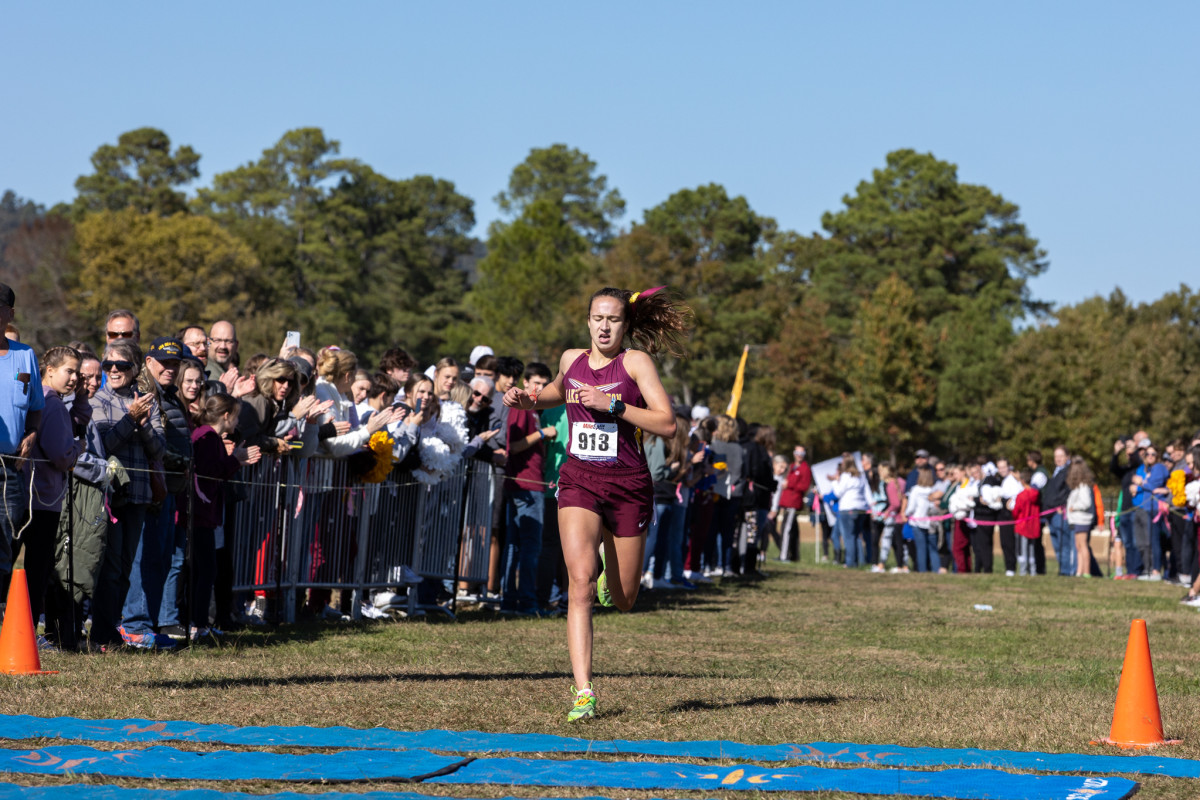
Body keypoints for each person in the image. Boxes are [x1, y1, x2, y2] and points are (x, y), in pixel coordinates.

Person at [503, 285, 687, 721]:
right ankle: (583, 691)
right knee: (579, 583)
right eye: (597, 318)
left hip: (628, 485)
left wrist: (614, 404)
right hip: (579, 480)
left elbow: (667, 424)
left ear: (625, 325)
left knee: (624, 599)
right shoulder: (572, 360)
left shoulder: (636, 363)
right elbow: (555, 393)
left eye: (614, 320)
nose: (604, 327)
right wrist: (526, 400)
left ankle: (612, 569)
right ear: (587, 321)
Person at [90, 340, 168, 649]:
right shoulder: (97, 400)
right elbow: (103, 446)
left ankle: (113, 631)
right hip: (109, 496)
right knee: (108, 568)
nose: (112, 370)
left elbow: (160, 449)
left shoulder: (147, 400)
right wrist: (130, 420)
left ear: (134, 368)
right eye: (108, 364)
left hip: (138, 495)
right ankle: (101, 633)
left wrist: (144, 424)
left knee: (124, 569)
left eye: (120, 365)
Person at [22, 346, 85, 650]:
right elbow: (61, 455)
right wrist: (78, 448)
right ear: (49, 369)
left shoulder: (34, 399)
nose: (74, 378)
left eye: (77, 372)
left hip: (24, 494)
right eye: (69, 371)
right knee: (38, 568)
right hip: (44, 498)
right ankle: (28, 632)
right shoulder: (54, 405)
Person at [185, 395, 261, 637]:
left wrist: (232, 460)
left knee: (205, 568)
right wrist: (235, 460)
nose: (238, 422)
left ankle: (199, 621)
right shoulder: (207, 437)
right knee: (205, 569)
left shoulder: (210, 437)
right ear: (226, 415)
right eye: (236, 416)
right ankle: (198, 622)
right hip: (200, 512)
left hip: (205, 511)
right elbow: (210, 474)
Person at [500, 362, 556, 614]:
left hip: (528, 484)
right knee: (529, 547)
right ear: (525, 383)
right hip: (525, 485)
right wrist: (543, 434)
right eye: (536, 383)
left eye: (545, 384)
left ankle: (511, 602)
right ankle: (527, 603)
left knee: (517, 545)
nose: (540, 388)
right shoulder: (522, 407)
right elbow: (514, 445)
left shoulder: (534, 408)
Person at [0, 284, 44, 604]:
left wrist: (32, 434)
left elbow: (36, 408)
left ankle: (4, 613)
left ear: (10, 314)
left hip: (11, 464)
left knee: (9, 534)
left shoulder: (25, 355)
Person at [832, 454, 870, 568]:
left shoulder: (845, 476)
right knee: (856, 536)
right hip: (861, 509)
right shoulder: (861, 476)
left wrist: (835, 481)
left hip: (847, 509)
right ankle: (860, 561)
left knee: (848, 537)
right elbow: (867, 493)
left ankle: (850, 563)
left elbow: (838, 492)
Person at [1066, 459, 1096, 577]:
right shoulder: (1077, 487)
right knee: (1078, 546)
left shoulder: (1084, 487)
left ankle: (1086, 572)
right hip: (1076, 519)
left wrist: (1074, 507)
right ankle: (1079, 571)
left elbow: (1086, 503)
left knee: (1083, 545)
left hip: (1082, 520)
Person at [1012, 469, 1041, 577]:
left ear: (1022, 481)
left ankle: (1023, 572)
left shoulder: (1021, 495)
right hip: (1033, 526)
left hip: (1022, 526)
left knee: (1022, 550)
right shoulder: (1036, 494)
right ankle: (1033, 571)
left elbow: (1016, 511)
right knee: (1031, 550)